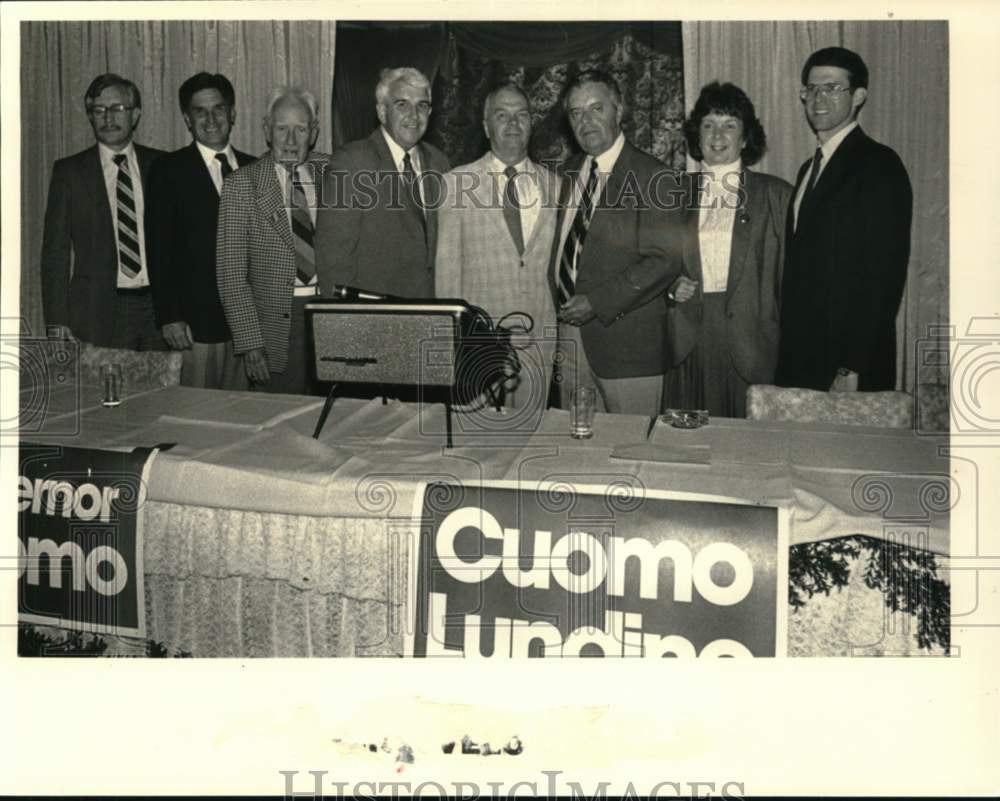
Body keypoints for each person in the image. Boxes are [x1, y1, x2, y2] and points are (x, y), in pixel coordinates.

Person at [775, 47, 913, 392]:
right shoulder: (808, 169)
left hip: (846, 365)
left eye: (832, 88)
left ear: (859, 96)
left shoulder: (879, 164)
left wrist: (851, 366)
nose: (818, 98)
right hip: (800, 357)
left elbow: (884, 276)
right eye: (811, 89)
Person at [551, 69, 685, 416]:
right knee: (576, 441)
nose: (586, 121)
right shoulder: (568, 174)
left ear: (619, 110)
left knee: (629, 443)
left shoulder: (655, 176)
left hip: (628, 349)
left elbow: (665, 260)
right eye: (576, 113)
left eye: (596, 109)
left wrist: (596, 303)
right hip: (570, 343)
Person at [664, 82, 793, 418]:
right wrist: (671, 286)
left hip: (751, 342)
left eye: (729, 125)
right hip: (690, 338)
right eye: (708, 125)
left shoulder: (776, 195)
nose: (717, 135)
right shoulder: (675, 194)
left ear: (745, 138)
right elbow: (658, 262)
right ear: (697, 136)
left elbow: (793, 280)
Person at [436, 82, 560, 417]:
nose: (513, 123)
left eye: (522, 115)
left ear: (532, 123)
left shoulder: (557, 186)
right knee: (478, 438)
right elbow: (447, 276)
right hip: (480, 343)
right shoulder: (456, 184)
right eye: (502, 115)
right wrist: (456, 342)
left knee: (531, 435)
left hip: (540, 342)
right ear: (486, 125)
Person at [216, 86, 330, 394]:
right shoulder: (241, 185)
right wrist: (251, 344)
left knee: (332, 412)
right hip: (276, 327)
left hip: (329, 317)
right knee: (282, 415)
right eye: (282, 129)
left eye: (300, 130)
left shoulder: (334, 173)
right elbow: (231, 275)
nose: (291, 141)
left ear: (314, 132)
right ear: (267, 130)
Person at [40, 73, 165, 349]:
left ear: (135, 114)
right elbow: (55, 254)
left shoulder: (161, 165)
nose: (108, 117)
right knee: (104, 379)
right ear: (90, 117)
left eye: (117, 108)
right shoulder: (69, 173)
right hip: (98, 312)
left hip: (159, 311)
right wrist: (57, 322)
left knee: (164, 378)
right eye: (99, 110)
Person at [146, 72, 254, 388]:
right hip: (195, 327)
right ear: (187, 119)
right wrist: (169, 316)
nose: (211, 119)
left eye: (218, 109)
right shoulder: (168, 170)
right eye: (200, 111)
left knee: (245, 409)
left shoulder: (255, 168)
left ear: (232, 113)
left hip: (249, 326)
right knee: (197, 409)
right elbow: (159, 249)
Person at [314, 67, 450, 299]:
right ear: (382, 112)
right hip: (375, 314)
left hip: (432, 312)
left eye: (422, 105)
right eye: (402, 105)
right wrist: (346, 319)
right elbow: (333, 261)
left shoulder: (440, 163)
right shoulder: (351, 163)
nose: (414, 115)